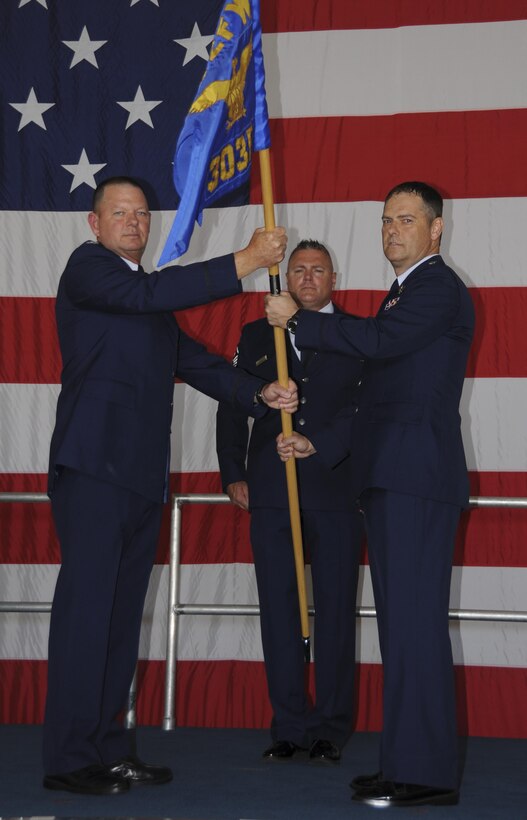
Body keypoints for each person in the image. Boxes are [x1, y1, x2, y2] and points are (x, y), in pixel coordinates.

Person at [43, 176, 297, 796]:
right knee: (87, 617)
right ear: (93, 224)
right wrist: (245, 261)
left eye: (140, 213)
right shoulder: (89, 272)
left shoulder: (145, 301)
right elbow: (154, 292)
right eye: (119, 212)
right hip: (94, 471)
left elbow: (199, 361)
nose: (133, 221)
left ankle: (107, 748)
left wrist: (259, 394)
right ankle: (69, 759)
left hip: (139, 479)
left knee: (121, 619)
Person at [265, 182, 475, 808]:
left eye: (406, 220)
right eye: (386, 221)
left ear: (435, 230)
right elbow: (378, 398)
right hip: (392, 477)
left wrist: (301, 319)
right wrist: (321, 445)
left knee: (414, 630)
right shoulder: (404, 294)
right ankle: (406, 764)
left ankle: (425, 775)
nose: (392, 231)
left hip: (414, 478)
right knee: (403, 632)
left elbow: (379, 348)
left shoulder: (437, 287)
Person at [216, 240, 363, 764]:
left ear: (333, 278)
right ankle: (289, 724)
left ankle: (330, 726)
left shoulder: (355, 334)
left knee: (335, 612)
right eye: (297, 269)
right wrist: (232, 470)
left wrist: (321, 444)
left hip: (334, 488)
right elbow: (232, 403)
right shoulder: (258, 333)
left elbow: (367, 410)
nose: (306, 277)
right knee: (278, 610)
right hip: (272, 491)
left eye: (317, 270)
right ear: (284, 279)